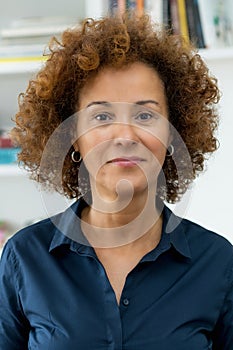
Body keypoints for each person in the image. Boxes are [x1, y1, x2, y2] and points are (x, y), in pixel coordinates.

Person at [0, 13, 232, 350]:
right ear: (72, 136)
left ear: (172, 132)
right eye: (102, 116)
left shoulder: (217, 261)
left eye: (144, 115)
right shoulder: (24, 256)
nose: (124, 135)